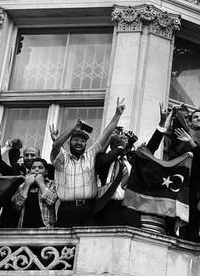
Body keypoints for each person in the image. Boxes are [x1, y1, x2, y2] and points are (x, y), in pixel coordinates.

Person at [50, 97, 125, 227]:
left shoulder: (91, 155)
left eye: (83, 141)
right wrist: (73, 129)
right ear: (69, 143)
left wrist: (118, 114)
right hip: (67, 210)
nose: (79, 143)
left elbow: (106, 134)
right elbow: (56, 145)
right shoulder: (62, 158)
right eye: (76, 140)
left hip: (89, 209)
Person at [11, 158, 57, 228]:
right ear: (30, 171)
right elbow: (17, 204)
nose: (36, 170)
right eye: (33, 168)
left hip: (45, 228)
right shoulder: (23, 185)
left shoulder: (51, 184)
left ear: (46, 171)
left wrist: (40, 183)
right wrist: (27, 184)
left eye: (40, 168)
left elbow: (51, 201)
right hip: (24, 228)